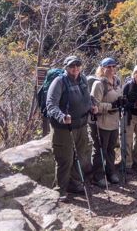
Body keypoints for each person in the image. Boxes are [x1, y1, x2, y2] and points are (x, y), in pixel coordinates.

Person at [46, 55, 97, 195]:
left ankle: (74, 184)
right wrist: (61, 116)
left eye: (77, 65)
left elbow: (88, 98)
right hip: (64, 128)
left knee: (79, 156)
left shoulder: (83, 79)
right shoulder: (59, 82)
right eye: (71, 66)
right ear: (66, 67)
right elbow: (51, 104)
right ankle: (60, 190)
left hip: (81, 125)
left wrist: (93, 105)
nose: (75, 68)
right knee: (65, 159)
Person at [90, 57, 124, 187]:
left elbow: (118, 97)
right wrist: (112, 106)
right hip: (102, 122)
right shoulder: (99, 84)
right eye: (108, 67)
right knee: (100, 150)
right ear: (102, 68)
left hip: (114, 122)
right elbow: (95, 106)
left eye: (113, 66)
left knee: (111, 149)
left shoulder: (117, 81)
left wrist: (121, 102)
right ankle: (98, 176)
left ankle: (111, 173)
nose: (111, 69)